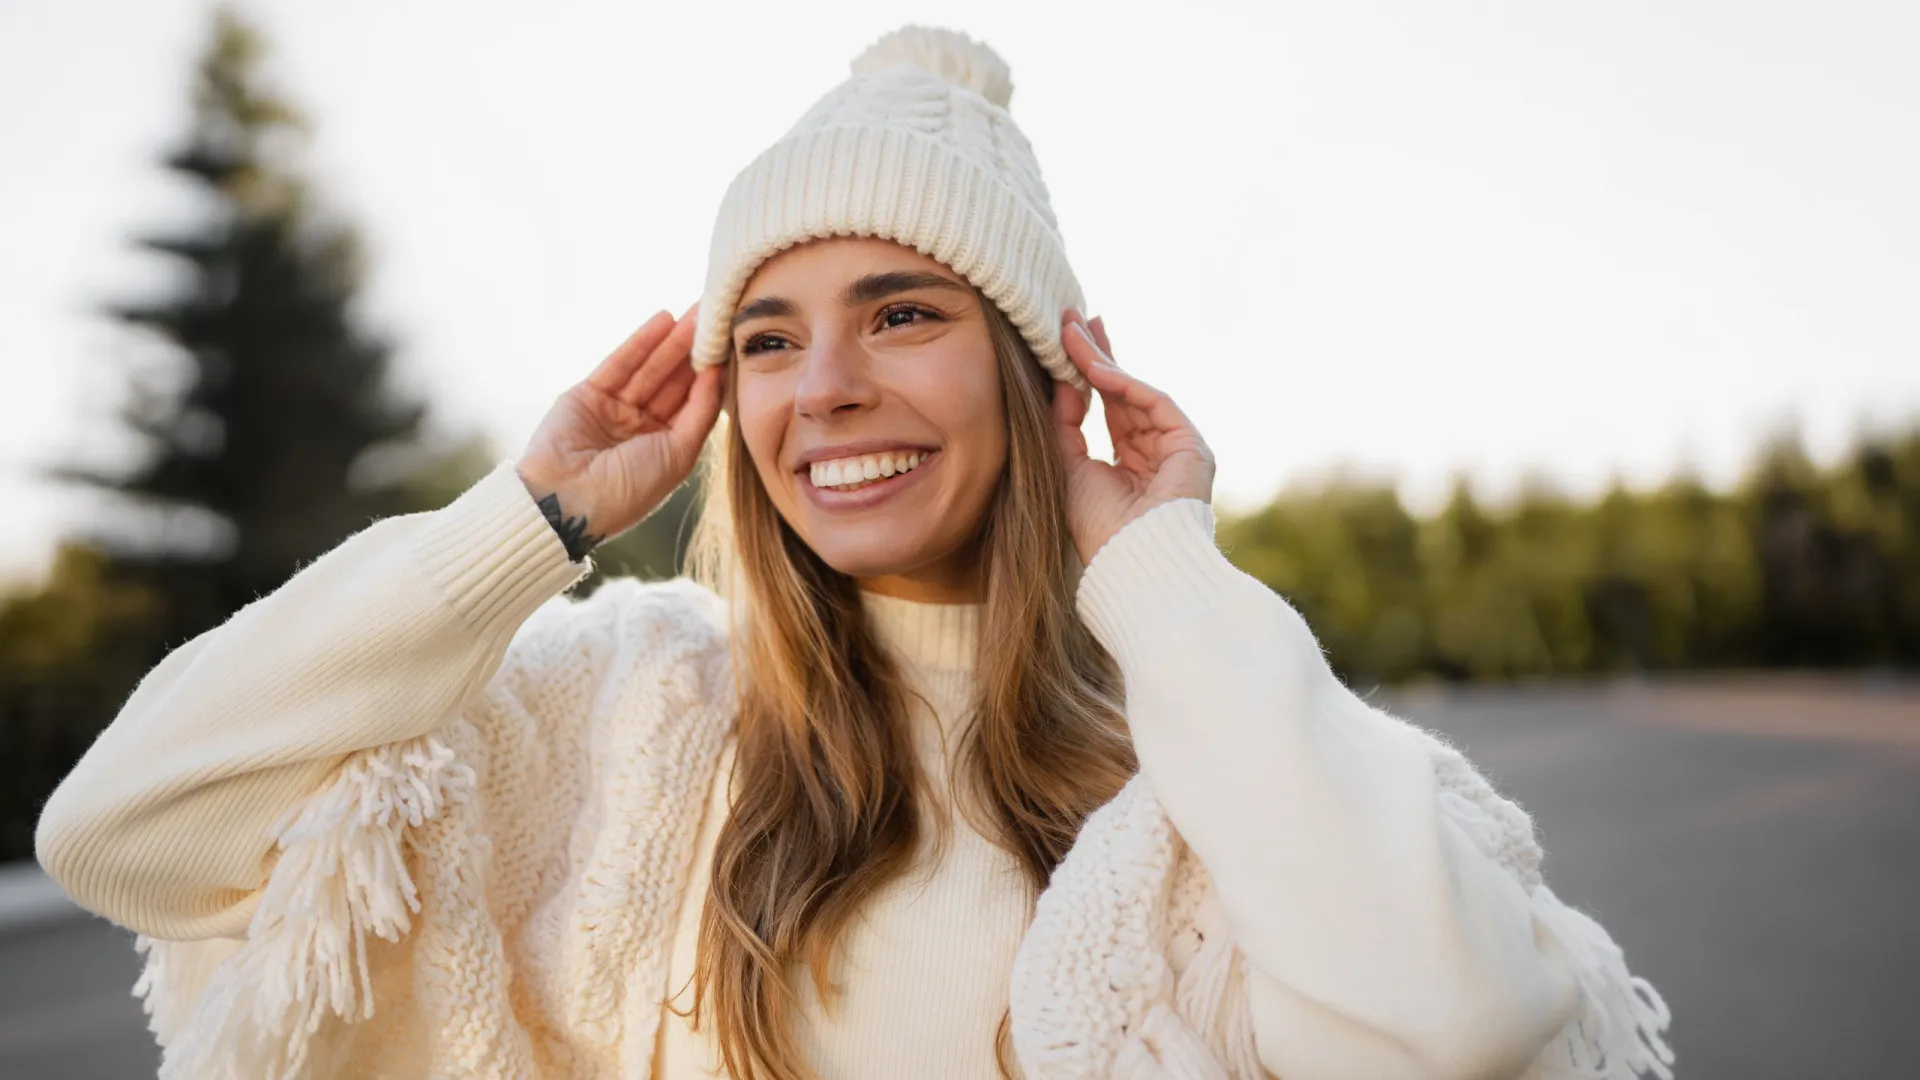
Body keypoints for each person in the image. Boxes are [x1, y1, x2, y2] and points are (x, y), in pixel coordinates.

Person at [35, 25, 1674, 1080]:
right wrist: (525, 527)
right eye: (767, 337)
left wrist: (1167, 580)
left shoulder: (1209, 767)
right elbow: (126, 831)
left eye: (902, 314)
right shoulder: (617, 712)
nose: (826, 388)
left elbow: (1455, 1023)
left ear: (1047, 383)